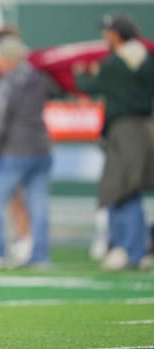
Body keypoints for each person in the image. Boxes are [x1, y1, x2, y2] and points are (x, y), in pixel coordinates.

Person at [75, 14, 154, 270]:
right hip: (143, 128)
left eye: (108, 32)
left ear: (117, 35)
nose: (105, 37)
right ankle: (132, 248)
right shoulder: (146, 60)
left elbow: (88, 87)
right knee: (127, 189)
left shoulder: (114, 63)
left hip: (123, 130)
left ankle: (129, 250)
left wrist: (79, 74)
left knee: (121, 189)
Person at [0, 36, 55, 269]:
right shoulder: (40, 80)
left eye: (0, 58)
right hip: (40, 149)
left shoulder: (6, 85)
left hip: (13, 151)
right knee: (39, 204)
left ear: (9, 59)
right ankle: (40, 255)